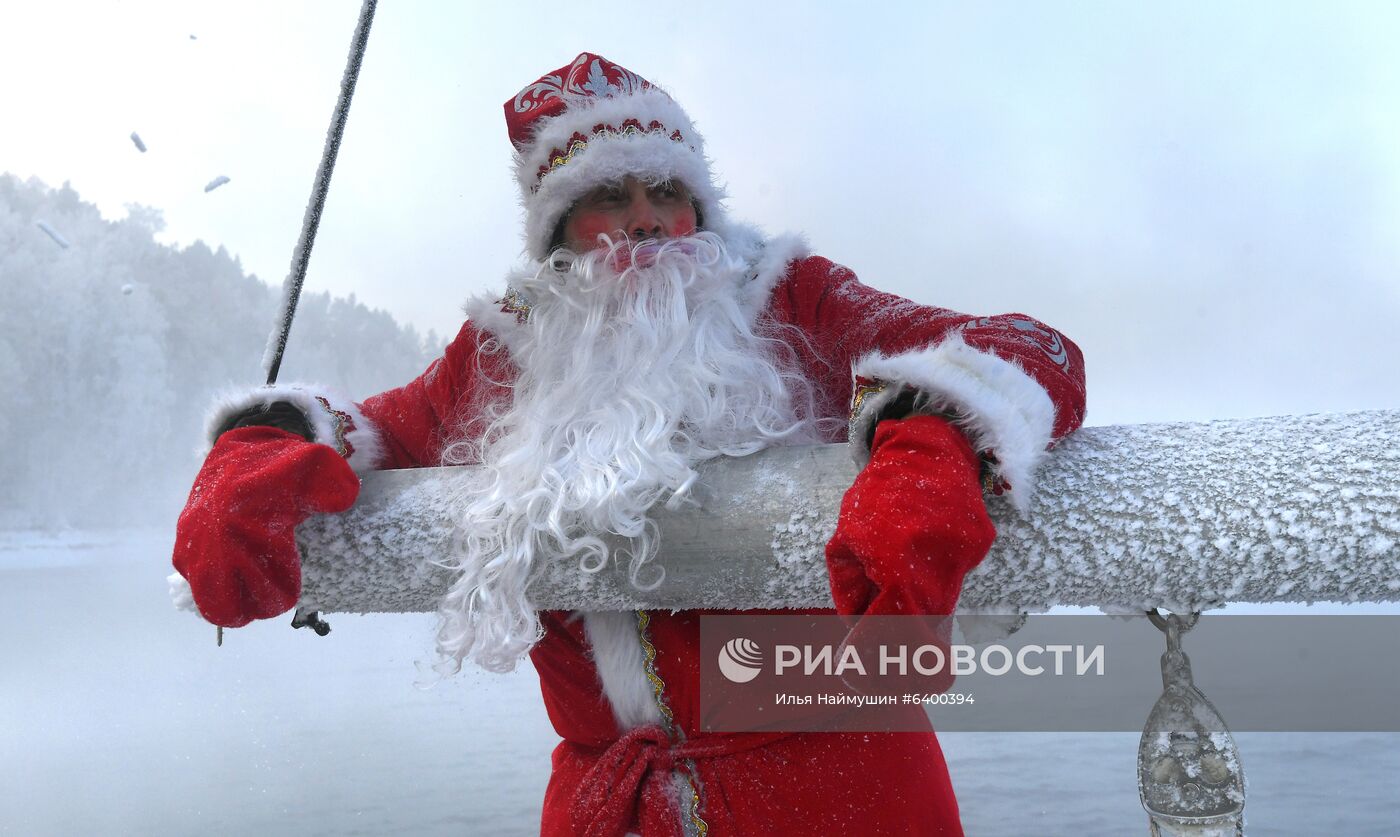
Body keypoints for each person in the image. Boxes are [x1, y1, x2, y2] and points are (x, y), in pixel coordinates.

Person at [172, 53, 1086, 836]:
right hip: (605, 801)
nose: (647, 219)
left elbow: (1020, 347)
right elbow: (375, 430)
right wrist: (262, 445)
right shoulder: (508, 346)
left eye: (669, 194)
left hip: (840, 787)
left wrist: (928, 444)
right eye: (608, 197)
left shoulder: (786, 296)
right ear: (556, 236)